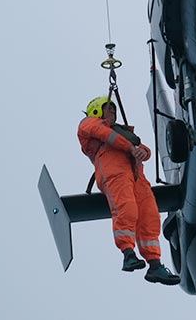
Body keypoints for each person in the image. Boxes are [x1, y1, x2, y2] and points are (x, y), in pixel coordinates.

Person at [78, 96, 180, 285]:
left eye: (114, 109)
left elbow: (144, 149)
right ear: (96, 110)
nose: (112, 112)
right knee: (126, 208)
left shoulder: (122, 133)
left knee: (149, 216)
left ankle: (155, 265)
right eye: (108, 108)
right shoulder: (89, 124)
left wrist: (143, 152)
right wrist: (132, 148)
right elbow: (105, 134)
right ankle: (128, 252)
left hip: (136, 176)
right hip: (113, 172)